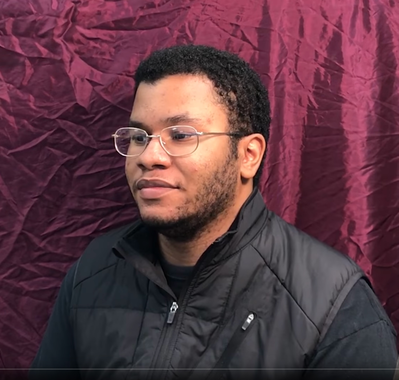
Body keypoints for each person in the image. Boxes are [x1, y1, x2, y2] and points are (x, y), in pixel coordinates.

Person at [30, 45, 397, 380]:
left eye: (181, 135)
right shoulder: (92, 273)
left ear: (248, 155)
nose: (148, 157)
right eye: (140, 137)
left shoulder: (332, 305)